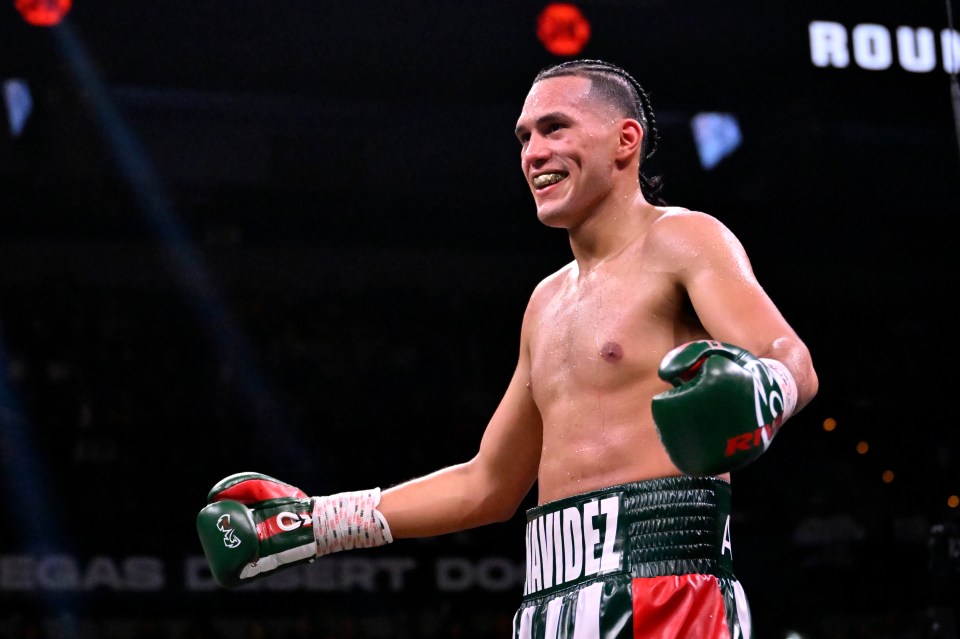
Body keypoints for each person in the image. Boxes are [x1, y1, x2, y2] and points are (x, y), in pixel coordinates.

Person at [196, 59, 818, 639]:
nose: (534, 153)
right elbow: (487, 485)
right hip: (549, 601)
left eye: (555, 128)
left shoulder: (683, 239)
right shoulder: (546, 302)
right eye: (524, 137)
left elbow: (790, 357)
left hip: (666, 587)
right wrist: (315, 523)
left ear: (625, 140)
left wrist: (763, 389)